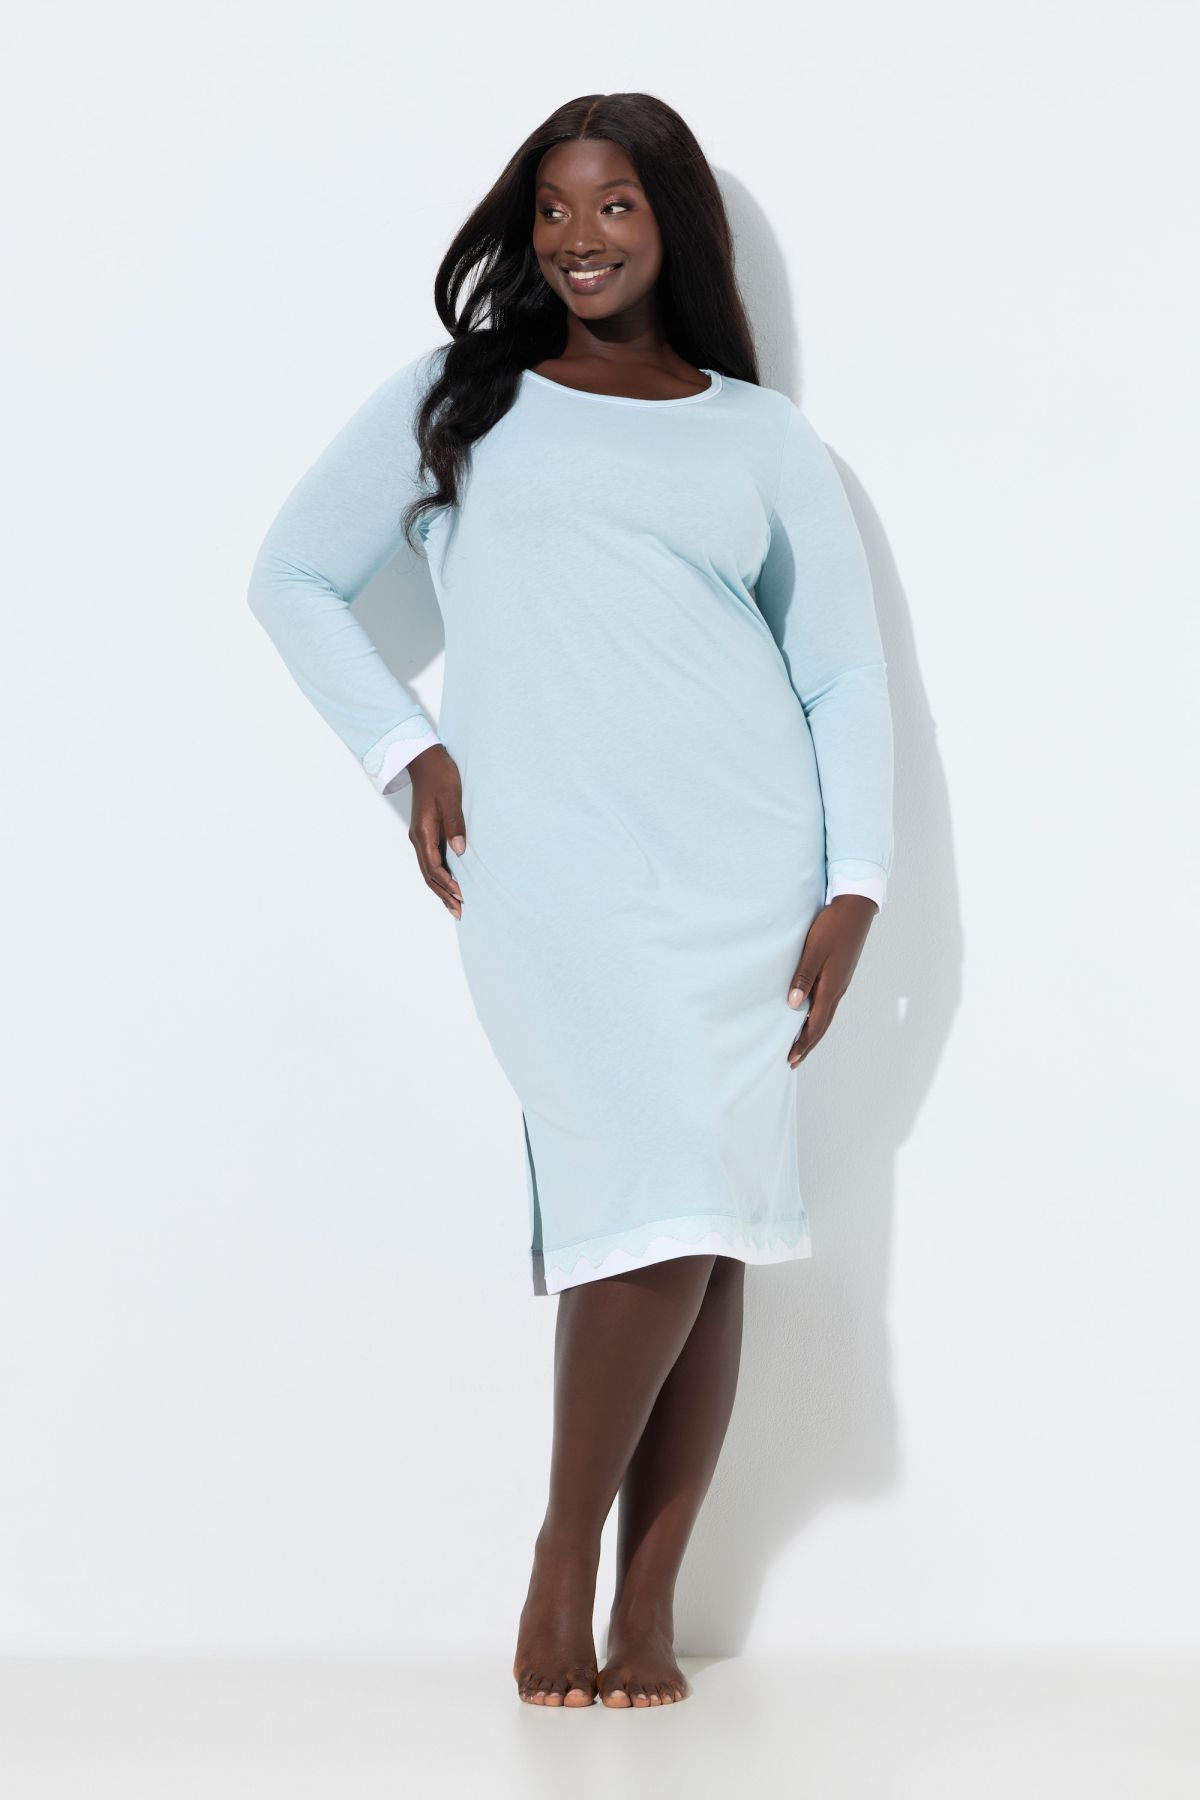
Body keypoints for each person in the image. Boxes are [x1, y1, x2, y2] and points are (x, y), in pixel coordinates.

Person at [247, 91, 894, 1710]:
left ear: (671, 222)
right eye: (551, 209)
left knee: (708, 1222)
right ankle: (560, 1559)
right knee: (653, 1191)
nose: (578, 239)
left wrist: (856, 881)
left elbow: (839, 676)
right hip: (555, 879)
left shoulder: (759, 436)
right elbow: (293, 576)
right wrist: (407, 748)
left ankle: (645, 1605)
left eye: (613, 207)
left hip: (747, 873)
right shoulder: (464, 397)